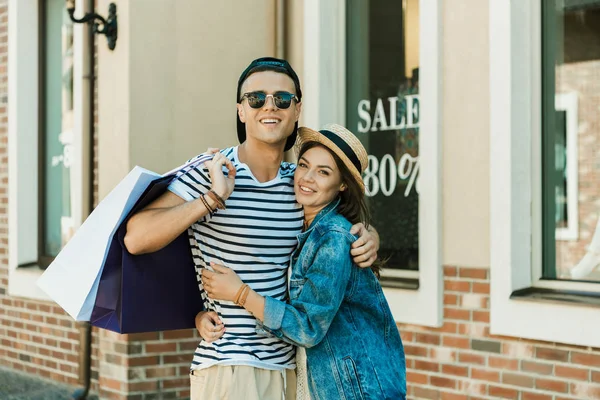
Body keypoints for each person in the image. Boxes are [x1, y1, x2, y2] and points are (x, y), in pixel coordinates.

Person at [123, 57, 379, 400]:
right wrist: (213, 196)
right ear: (241, 111)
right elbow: (136, 238)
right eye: (256, 99)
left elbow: (335, 227)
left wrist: (368, 235)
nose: (269, 106)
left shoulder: (299, 185)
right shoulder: (212, 170)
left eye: (282, 99)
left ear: (296, 109)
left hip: (294, 369)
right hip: (231, 366)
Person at [202, 124, 407, 400]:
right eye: (304, 165)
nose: (307, 178)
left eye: (323, 172)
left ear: (342, 184)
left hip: (356, 389)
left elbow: (308, 327)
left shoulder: (332, 238)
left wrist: (240, 293)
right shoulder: (309, 224)